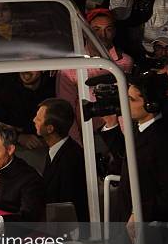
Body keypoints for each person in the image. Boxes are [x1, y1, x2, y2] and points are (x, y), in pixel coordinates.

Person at [100, 73, 168, 224]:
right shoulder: (139, 127)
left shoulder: (162, 138)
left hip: (151, 230)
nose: (125, 103)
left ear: (151, 105)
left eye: (132, 99)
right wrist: (111, 124)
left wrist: (140, 213)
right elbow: (126, 159)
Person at [56, 8, 133, 145]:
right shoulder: (70, 66)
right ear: (86, 33)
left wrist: (125, 140)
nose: (102, 35)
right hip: (88, 136)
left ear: (114, 32)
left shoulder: (124, 62)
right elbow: (66, 109)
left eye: (108, 29)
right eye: (96, 29)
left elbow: (127, 102)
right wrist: (78, 145)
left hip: (121, 134)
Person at [34, 98, 89, 221]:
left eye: (38, 119)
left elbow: (67, 205)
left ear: (50, 128)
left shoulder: (71, 158)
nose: (34, 120)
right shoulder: (58, 150)